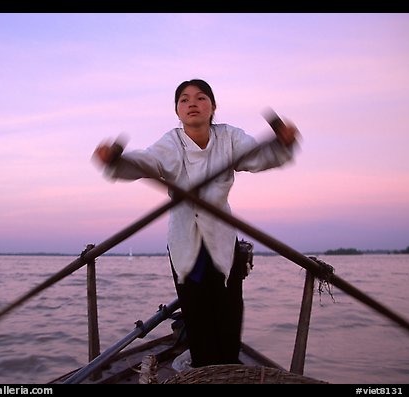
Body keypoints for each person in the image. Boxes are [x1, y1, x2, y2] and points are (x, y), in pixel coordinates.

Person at [92, 79, 299, 368]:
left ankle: (227, 369)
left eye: (201, 98)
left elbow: (262, 156)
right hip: (184, 239)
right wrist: (114, 161)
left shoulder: (229, 137)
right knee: (197, 312)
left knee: (229, 311)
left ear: (213, 107)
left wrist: (284, 142)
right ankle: (203, 369)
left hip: (222, 236)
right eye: (184, 100)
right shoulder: (171, 143)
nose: (192, 104)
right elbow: (143, 162)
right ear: (177, 111)